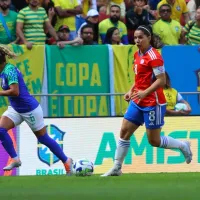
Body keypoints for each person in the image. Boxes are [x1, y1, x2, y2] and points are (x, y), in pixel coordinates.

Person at [101, 25, 192, 176]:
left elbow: (161, 81)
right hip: (138, 100)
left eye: (140, 37)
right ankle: (117, 167)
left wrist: (144, 93)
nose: (137, 40)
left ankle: (183, 145)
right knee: (124, 131)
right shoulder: (137, 55)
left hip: (153, 103)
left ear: (149, 38)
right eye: (135, 37)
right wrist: (131, 91)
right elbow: (140, 79)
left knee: (154, 141)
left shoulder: (154, 56)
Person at [0, 45, 73, 175]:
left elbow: (15, 92)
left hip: (30, 109)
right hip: (16, 109)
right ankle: (15, 159)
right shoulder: (3, 70)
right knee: (1, 129)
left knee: (43, 138)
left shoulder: (9, 70)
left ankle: (67, 161)